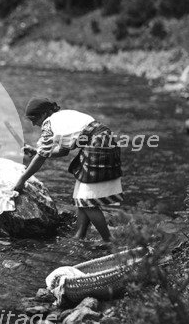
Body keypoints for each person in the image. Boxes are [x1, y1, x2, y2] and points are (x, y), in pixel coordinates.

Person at [13, 98, 123, 242]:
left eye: (34, 119)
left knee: (87, 202)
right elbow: (62, 151)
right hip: (104, 140)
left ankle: (110, 241)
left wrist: (22, 180)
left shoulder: (49, 124)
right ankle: (79, 236)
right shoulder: (64, 116)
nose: (33, 124)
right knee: (81, 197)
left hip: (96, 145)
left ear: (45, 113)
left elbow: (41, 158)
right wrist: (36, 151)